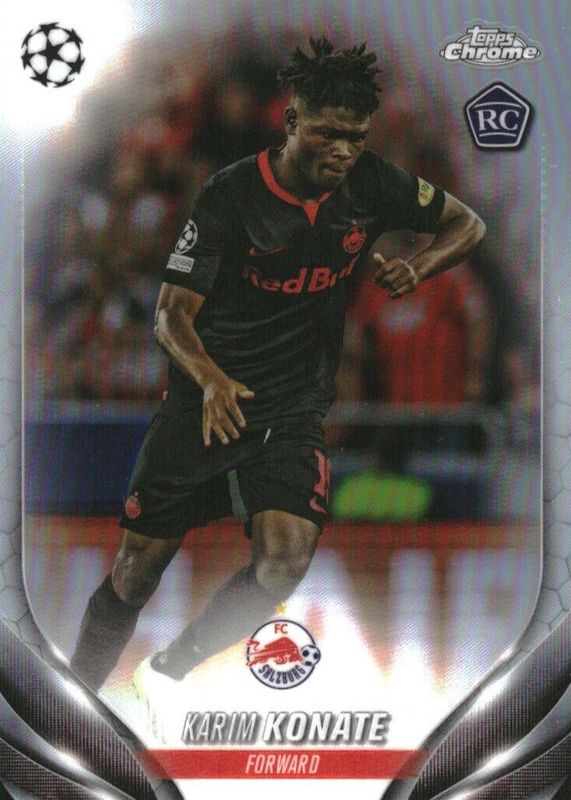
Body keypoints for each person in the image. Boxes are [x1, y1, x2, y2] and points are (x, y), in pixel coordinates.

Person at [70, 36, 485, 692]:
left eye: (355, 137)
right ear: (292, 121)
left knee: (285, 560)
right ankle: (74, 697)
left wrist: (419, 265)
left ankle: (172, 668)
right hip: (207, 402)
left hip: (292, 410)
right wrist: (210, 380)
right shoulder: (230, 196)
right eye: (327, 134)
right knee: (135, 569)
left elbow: (468, 224)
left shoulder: (374, 183)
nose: (342, 151)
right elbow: (170, 316)